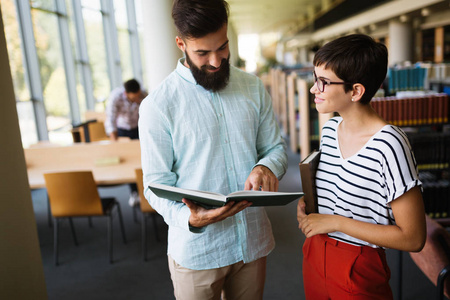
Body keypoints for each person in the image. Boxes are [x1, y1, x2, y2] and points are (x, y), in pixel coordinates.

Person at [138, 0, 287, 299]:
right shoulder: (159, 105)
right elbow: (154, 186)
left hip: (251, 242)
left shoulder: (253, 87)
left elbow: (275, 148)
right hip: (198, 251)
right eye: (202, 53)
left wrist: (266, 166)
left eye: (223, 47)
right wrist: (187, 219)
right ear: (181, 44)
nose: (217, 61)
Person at [297, 34, 426, 299]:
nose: (313, 89)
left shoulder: (390, 144)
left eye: (323, 82)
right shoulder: (330, 128)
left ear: (355, 91)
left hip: (358, 265)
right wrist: (311, 210)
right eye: (314, 78)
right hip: (314, 253)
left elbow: (413, 238)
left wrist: (335, 222)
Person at [105, 78, 147, 206]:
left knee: (142, 159)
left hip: (139, 127)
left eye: (139, 95)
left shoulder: (143, 94)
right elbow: (111, 119)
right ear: (127, 93)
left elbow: (149, 112)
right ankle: (134, 192)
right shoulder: (115, 97)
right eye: (135, 97)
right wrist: (115, 143)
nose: (137, 98)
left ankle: (145, 191)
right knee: (129, 161)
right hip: (122, 129)